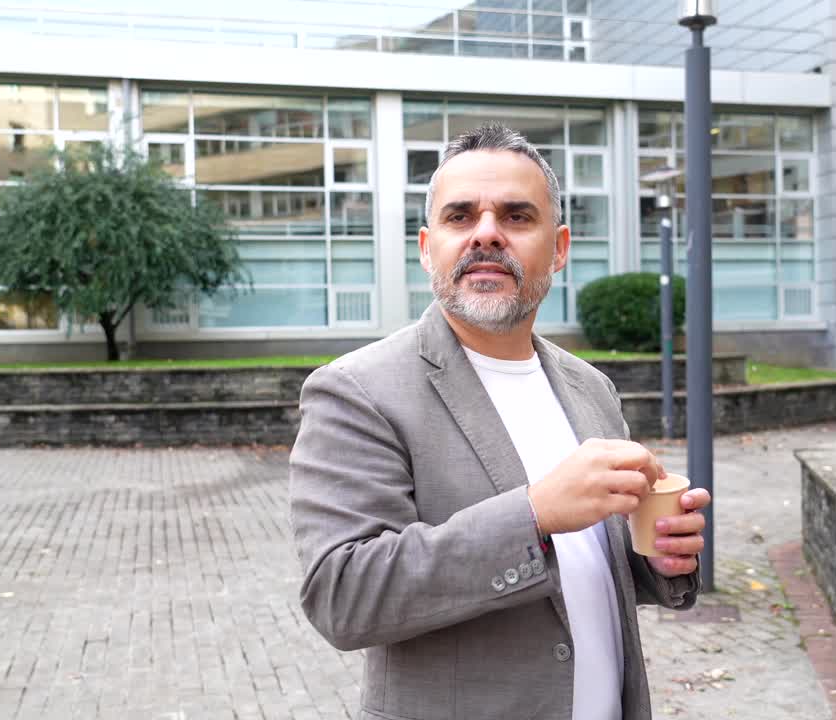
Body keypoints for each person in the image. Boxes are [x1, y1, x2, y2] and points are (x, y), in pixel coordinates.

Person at [289, 123, 711, 720]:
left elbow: (587, 573)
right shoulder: (358, 391)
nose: (486, 233)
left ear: (559, 247)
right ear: (426, 246)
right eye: (460, 217)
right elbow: (343, 594)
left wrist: (657, 560)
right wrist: (535, 513)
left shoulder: (591, 388)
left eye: (516, 216)